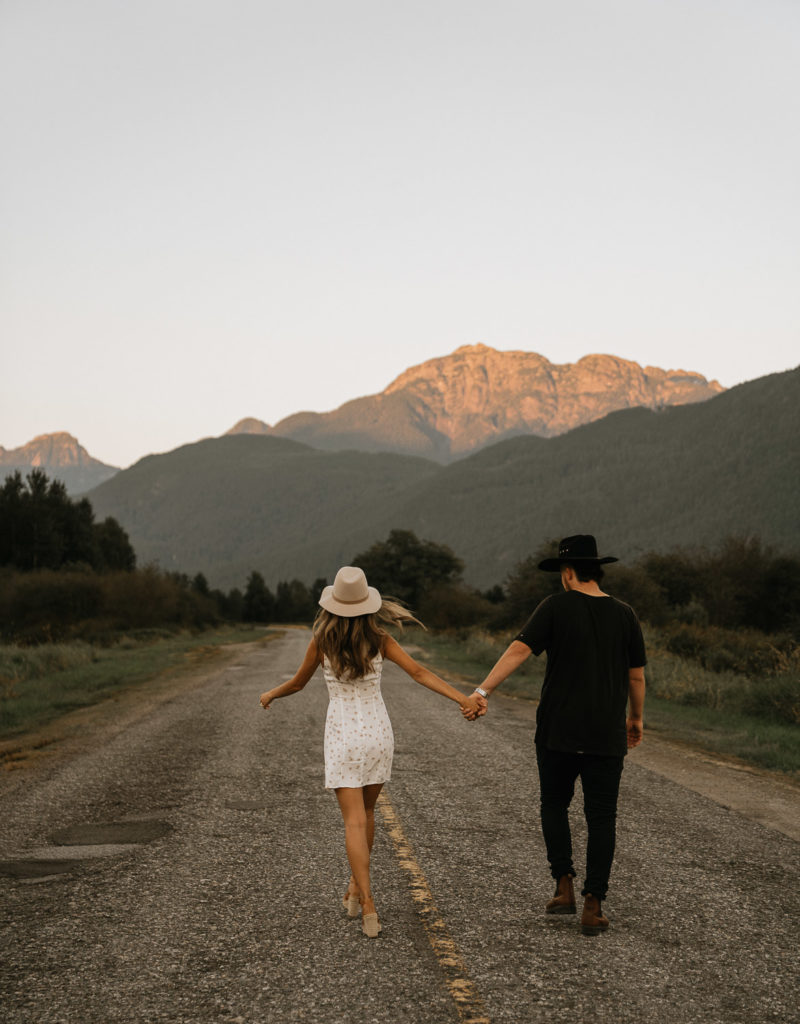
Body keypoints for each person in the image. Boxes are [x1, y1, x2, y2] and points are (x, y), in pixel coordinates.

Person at [259, 565, 483, 938]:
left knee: (353, 822)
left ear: (332, 605)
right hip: (378, 734)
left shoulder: (321, 641)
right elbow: (420, 673)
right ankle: (354, 888)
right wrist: (464, 698)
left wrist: (271, 694)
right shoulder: (379, 639)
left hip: (343, 735)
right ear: (366, 605)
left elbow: (298, 684)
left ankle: (368, 903)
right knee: (366, 813)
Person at [472, 535, 646, 936]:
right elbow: (635, 675)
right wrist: (635, 719)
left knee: (554, 804)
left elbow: (518, 650)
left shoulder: (555, 607)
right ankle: (593, 904)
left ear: (567, 573)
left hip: (557, 731)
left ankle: (563, 884)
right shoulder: (625, 614)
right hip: (605, 733)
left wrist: (483, 691)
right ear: (596, 570)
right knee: (602, 817)